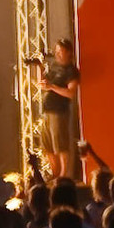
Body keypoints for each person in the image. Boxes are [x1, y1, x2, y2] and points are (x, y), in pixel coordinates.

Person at [39, 38, 80, 179]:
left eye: (60, 51)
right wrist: (40, 70)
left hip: (59, 111)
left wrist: (52, 87)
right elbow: (45, 82)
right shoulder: (55, 66)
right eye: (56, 51)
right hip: (47, 111)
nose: (57, 54)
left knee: (60, 144)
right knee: (47, 145)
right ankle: (55, 173)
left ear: (68, 53)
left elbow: (70, 93)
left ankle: (64, 174)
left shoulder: (71, 71)